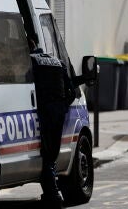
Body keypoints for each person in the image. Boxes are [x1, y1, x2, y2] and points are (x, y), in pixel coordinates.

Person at [29, 35, 75, 208]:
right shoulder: (57, 61)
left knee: (47, 155)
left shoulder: (31, 62)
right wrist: (62, 106)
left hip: (45, 112)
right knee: (52, 153)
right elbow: (71, 92)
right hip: (59, 112)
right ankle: (51, 193)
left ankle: (54, 196)